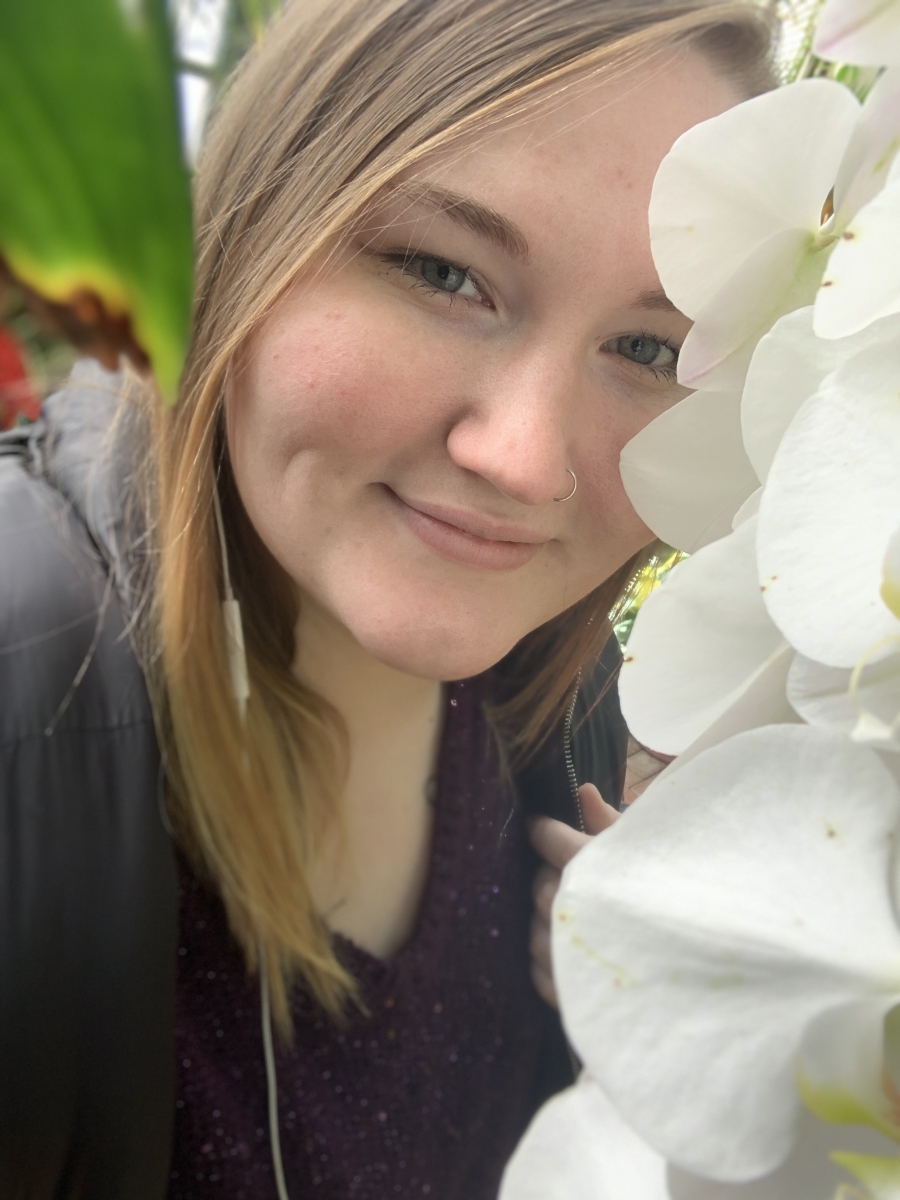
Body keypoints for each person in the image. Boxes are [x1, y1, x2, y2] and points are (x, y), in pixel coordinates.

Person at [0, 1, 775, 1197]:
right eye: (444, 272)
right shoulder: (27, 720)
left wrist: (635, 1046)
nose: (523, 460)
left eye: (647, 350)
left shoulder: (550, 703)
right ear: (246, 228)